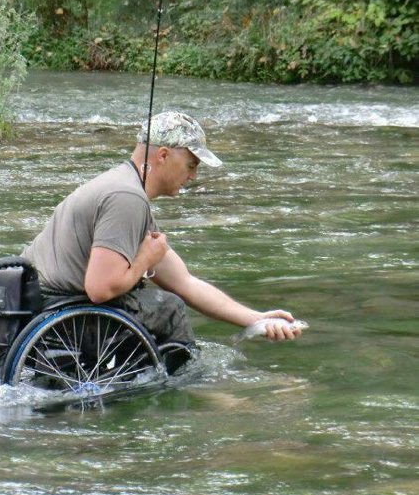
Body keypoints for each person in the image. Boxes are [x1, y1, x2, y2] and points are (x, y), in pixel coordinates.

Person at [22, 111, 302, 364]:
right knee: (168, 310)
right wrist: (144, 259)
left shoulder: (121, 186)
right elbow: (100, 288)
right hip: (61, 318)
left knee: (162, 299)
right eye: (191, 165)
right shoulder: (127, 198)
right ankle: (190, 392)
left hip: (36, 312)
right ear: (164, 155)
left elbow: (185, 282)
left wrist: (256, 319)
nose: (194, 175)